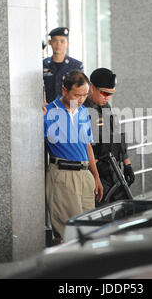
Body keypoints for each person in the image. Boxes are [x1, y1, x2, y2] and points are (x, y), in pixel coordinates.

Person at [44, 70, 103, 242]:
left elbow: (87, 146)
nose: (81, 99)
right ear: (64, 91)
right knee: (69, 235)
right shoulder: (47, 112)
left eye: (85, 95)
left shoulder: (83, 111)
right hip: (64, 175)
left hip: (85, 175)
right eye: (77, 95)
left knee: (89, 231)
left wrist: (96, 176)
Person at [83, 68, 135, 205]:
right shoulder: (82, 109)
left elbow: (117, 136)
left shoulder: (106, 107)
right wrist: (95, 175)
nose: (107, 97)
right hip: (96, 171)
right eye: (104, 93)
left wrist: (127, 164)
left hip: (114, 170)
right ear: (92, 88)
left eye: (110, 94)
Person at [43, 27, 84, 104]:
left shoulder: (76, 65)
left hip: (69, 109)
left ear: (68, 44)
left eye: (62, 41)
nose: (58, 44)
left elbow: (79, 91)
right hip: (47, 110)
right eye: (55, 41)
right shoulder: (43, 64)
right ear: (49, 42)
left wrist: (73, 112)